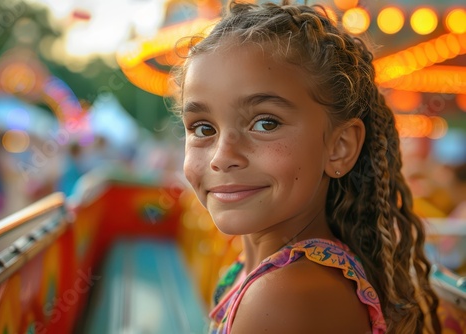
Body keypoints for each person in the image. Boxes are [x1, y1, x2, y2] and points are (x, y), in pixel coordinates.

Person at [172, 1, 442, 333]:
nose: (221, 156)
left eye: (266, 123)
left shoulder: (286, 297)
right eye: (203, 129)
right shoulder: (269, 272)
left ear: (339, 147)